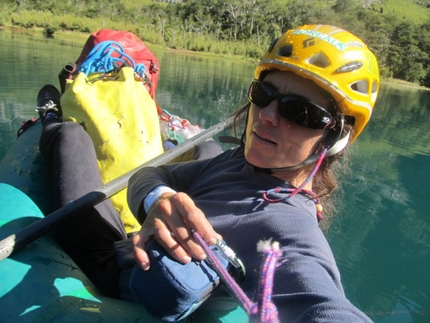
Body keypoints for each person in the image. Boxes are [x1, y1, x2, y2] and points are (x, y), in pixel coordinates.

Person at [37, 24, 378, 322]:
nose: (267, 116)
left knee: (71, 136)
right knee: (210, 148)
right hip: (136, 245)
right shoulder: (238, 161)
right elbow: (150, 178)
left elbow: (322, 307)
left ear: (335, 139)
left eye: (300, 112)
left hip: (111, 268)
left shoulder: (289, 229)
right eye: (264, 94)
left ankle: (50, 117)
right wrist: (160, 197)